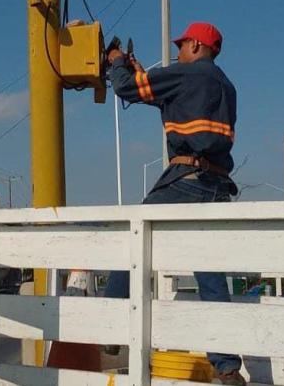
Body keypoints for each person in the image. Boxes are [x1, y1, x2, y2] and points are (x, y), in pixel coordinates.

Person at [104, 22, 245, 386]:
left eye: (181, 46)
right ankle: (227, 367)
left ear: (196, 45)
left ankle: (112, 327)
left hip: (185, 181)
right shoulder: (225, 85)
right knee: (211, 276)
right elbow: (170, 99)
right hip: (216, 186)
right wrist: (140, 73)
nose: (177, 52)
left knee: (131, 237)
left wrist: (116, 61)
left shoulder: (185, 74)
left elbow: (125, 89)